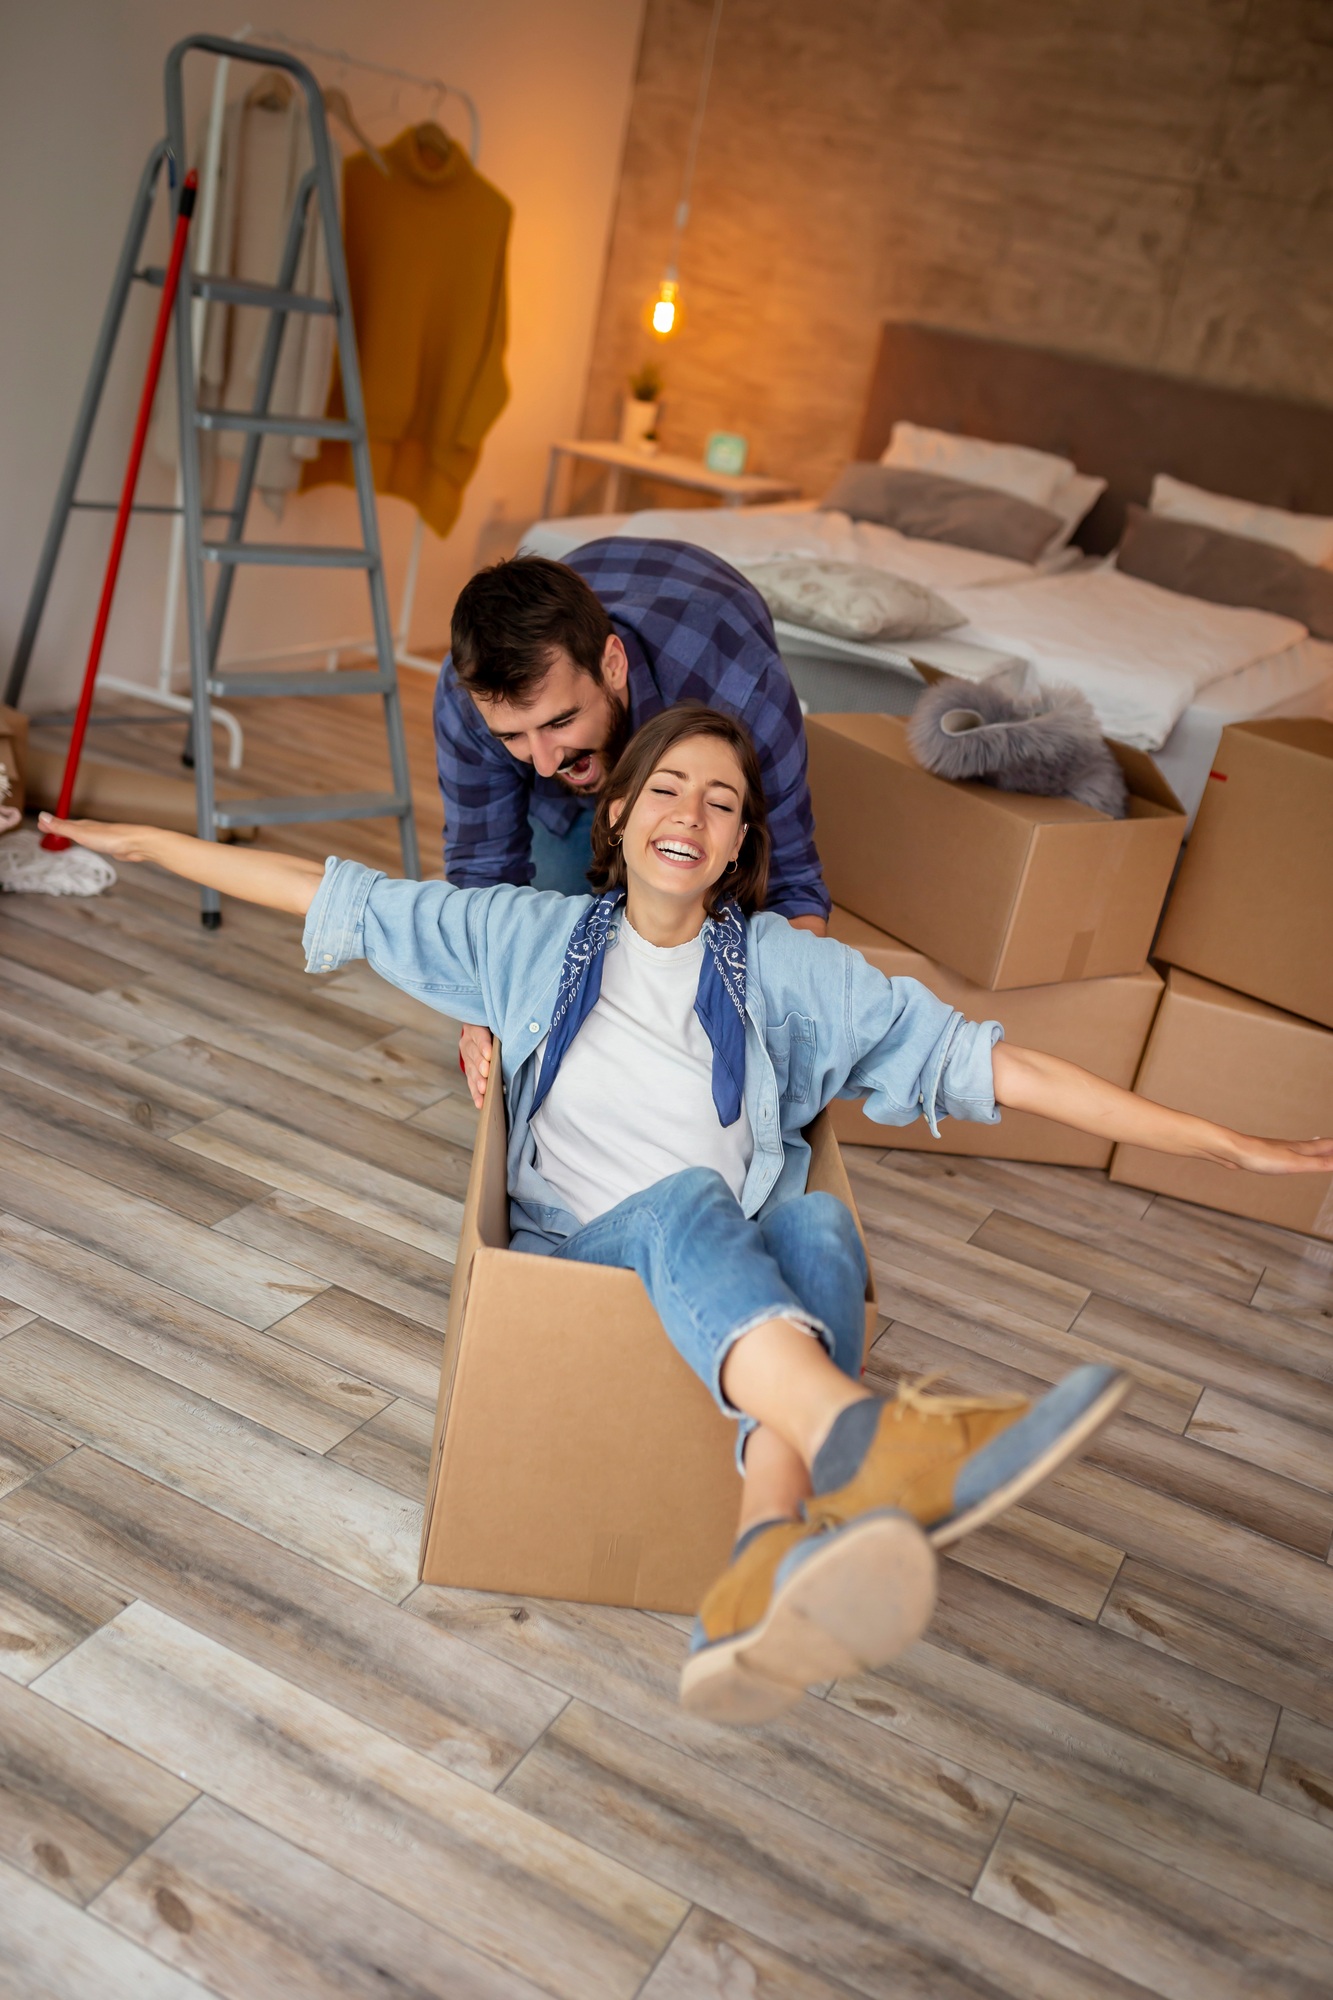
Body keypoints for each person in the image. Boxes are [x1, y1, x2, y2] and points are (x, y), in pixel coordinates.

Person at [41, 707, 1332, 1728]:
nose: (690, 813)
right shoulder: (524, 937)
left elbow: (1001, 1067)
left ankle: (755, 1574)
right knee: (689, 1201)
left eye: (721, 803)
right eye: (666, 787)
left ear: (734, 847)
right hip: (583, 1251)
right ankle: (869, 1445)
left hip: (722, 1259)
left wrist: (1219, 1139)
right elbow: (329, 894)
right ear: (615, 813)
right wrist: (137, 841)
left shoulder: (784, 970)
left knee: (822, 1235)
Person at [434, 539, 830, 1109]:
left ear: (612, 666)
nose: (544, 763)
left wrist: (791, 1032)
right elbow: (484, 875)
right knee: (550, 974)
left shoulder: (741, 691)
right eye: (514, 738)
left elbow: (791, 883)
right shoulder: (470, 696)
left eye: (560, 722)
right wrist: (478, 1012)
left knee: (710, 967)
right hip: (574, 809)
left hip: (702, 674)